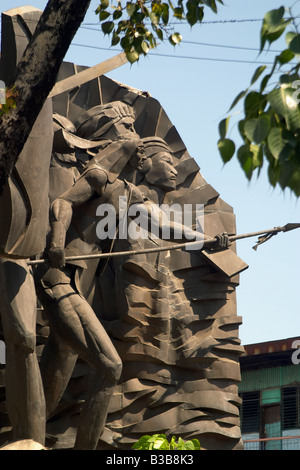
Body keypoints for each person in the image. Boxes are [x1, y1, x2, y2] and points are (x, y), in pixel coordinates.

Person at [36, 103, 148, 450]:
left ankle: (26, 437)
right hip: (58, 280)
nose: (136, 137)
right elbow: (61, 205)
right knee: (110, 367)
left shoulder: (125, 190)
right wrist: (56, 241)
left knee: (48, 385)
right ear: (109, 138)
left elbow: (160, 222)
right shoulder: (96, 176)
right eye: (127, 128)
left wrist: (204, 238)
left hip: (76, 290)